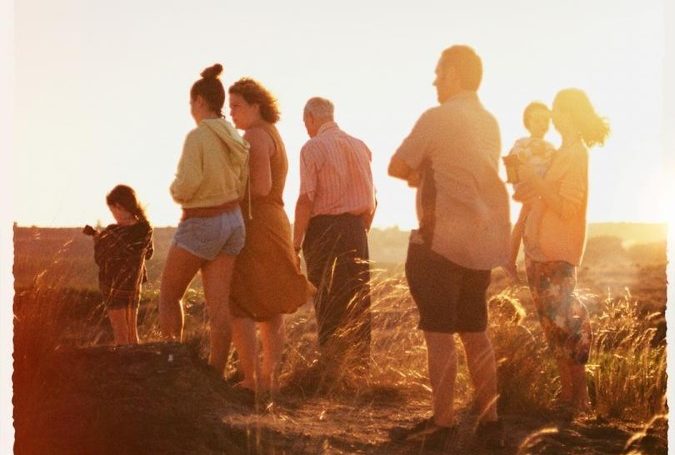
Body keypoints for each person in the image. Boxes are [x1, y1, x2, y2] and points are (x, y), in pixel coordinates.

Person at [387, 45, 510, 450]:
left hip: (439, 242)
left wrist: (423, 170)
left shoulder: (437, 117)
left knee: (438, 334)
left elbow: (396, 166)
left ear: (454, 73)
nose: (435, 81)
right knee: (476, 332)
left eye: (439, 73)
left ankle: (443, 424)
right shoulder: (489, 121)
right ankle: (490, 422)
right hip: (480, 242)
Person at [516, 88, 609, 414]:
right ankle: (567, 396)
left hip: (558, 250)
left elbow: (567, 207)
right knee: (551, 325)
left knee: (567, 323)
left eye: (556, 108)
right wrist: (524, 181)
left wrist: (535, 180)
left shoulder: (576, 154)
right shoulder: (559, 152)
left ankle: (579, 399)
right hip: (538, 249)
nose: (552, 115)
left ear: (569, 113)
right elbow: (537, 196)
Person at [159, 64, 249, 377]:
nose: (191, 109)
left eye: (191, 103)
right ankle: (215, 375)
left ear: (199, 101)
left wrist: (173, 189)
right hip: (233, 221)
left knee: (169, 295)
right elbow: (242, 182)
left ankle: (172, 367)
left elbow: (187, 185)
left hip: (203, 221)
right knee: (219, 305)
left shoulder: (198, 137)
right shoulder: (233, 136)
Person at [227, 78, 315, 394]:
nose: (231, 112)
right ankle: (269, 379)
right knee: (271, 304)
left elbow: (261, 187)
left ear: (256, 106)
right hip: (275, 219)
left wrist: (227, 192)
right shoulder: (273, 133)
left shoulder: (254, 135)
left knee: (240, 302)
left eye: (236, 105)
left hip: (257, 222)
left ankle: (252, 380)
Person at [293, 97, 376, 373]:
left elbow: (306, 199)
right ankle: (359, 371)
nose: (306, 128)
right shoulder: (360, 146)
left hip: (324, 231)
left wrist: (295, 244)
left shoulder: (313, 147)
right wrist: (361, 229)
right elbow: (373, 199)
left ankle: (330, 370)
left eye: (305, 123)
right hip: (356, 231)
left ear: (311, 118)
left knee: (328, 303)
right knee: (358, 302)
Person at [89, 184, 154, 345]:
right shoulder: (146, 228)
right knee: (132, 335)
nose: (113, 215)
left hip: (113, 285)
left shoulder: (112, 232)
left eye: (112, 210)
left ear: (119, 206)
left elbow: (101, 258)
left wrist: (98, 239)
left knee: (121, 335)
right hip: (133, 286)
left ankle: (124, 362)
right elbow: (149, 254)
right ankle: (136, 361)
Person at [504, 102, 556, 281]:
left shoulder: (550, 147)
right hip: (526, 185)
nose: (542, 124)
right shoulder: (522, 143)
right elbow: (511, 162)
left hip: (540, 187)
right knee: (536, 208)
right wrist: (517, 181)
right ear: (528, 122)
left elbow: (554, 168)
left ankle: (509, 260)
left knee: (522, 219)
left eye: (545, 120)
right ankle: (533, 247)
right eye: (537, 120)